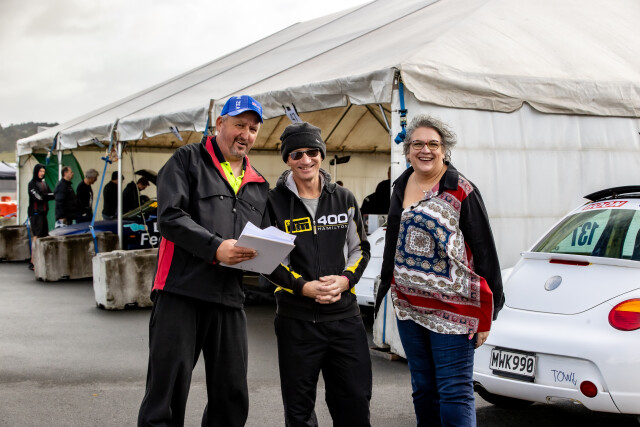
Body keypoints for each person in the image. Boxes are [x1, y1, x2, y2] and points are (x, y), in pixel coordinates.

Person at [138, 95, 269, 427]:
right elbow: (170, 217)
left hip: (229, 297)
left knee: (231, 394)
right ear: (220, 123)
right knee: (166, 394)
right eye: (239, 125)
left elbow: (264, 240)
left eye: (253, 129)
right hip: (180, 291)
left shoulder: (259, 184)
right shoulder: (187, 159)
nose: (246, 134)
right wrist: (215, 248)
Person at [374, 115, 504, 427]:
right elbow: (393, 242)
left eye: (433, 144)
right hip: (409, 307)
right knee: (423, 389)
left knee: (454, 391)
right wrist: (386, 286)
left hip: (454, 311)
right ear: (408, 151)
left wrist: (490, 311)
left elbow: (484, 250)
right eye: (417, 144)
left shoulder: (461, 190)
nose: (425, 150)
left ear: (444, 150)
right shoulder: (400, 185)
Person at [265, 122, 372, 427]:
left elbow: (361, 249)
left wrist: (345, 280)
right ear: (287, 159)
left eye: (312, 152)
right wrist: (303, 287)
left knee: (354, 403)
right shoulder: (273, 202)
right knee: (299, 411)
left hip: (345, 319)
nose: (306, 159)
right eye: (296, 154)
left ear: (322, 154)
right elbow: (268, 260)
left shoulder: (344, 198)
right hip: (296, 321)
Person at [27, 163, 54, 269]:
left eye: (43, 171)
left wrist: (48, 196)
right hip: (35, 213)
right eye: (40, 171)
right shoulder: (32, 184)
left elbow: (51, 195)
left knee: (44, 236)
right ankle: (32, 261)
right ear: (36, 172)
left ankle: (41, 260)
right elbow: (38, 197)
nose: (42, 173)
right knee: (36, 236)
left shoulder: (44, 183)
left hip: (43, 213)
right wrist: (47, 196)